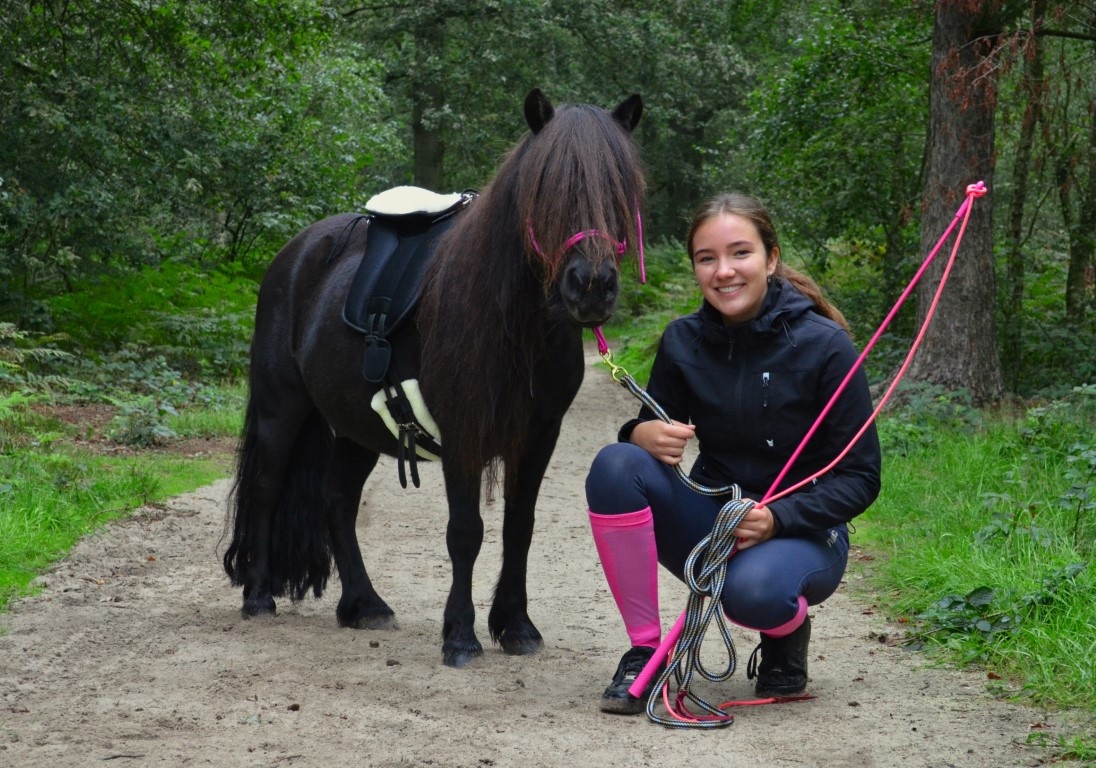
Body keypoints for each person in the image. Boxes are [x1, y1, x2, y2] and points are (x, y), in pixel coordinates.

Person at [585, 192, 882, 715]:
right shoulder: (682, 340)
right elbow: (654, 428)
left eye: (740, 253)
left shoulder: (826, 345)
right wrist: (640, 434)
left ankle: (786, 633)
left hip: (803, 533)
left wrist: (777, 519)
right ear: (695, 267)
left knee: (753, 590)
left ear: (770, 258)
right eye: (707, 258)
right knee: (615, 465)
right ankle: (644, 651)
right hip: (713, 520)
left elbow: (860, 477)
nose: (724, 271)